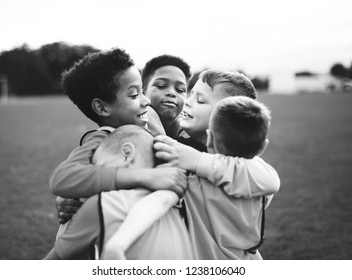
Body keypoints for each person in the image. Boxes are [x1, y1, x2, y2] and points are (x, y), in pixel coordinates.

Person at [49, 48, 187, 239]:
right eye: (134, 95)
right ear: (102, 107)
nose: (145, 101)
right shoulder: (103, 139)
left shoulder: (150, 124)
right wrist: (145, 176)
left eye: (142, 92)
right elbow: (62, 178)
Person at [152, 70, 280, 259]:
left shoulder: (248, 169)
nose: (187, 101)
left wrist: (196, 160)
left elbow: (270, 181)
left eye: (200, 100)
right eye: (190, 93)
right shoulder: (184, 144)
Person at [44, 125, 193, 260]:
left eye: (102, 168)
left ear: (127, 154)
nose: (97, 183)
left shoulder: (104, 205)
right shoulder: (183, 199)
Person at [142, 54, 192, 138]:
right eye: (161, 85)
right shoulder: (131, 128)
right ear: (143, 90)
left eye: (180, 89)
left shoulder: (191, 132)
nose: (171, 93)